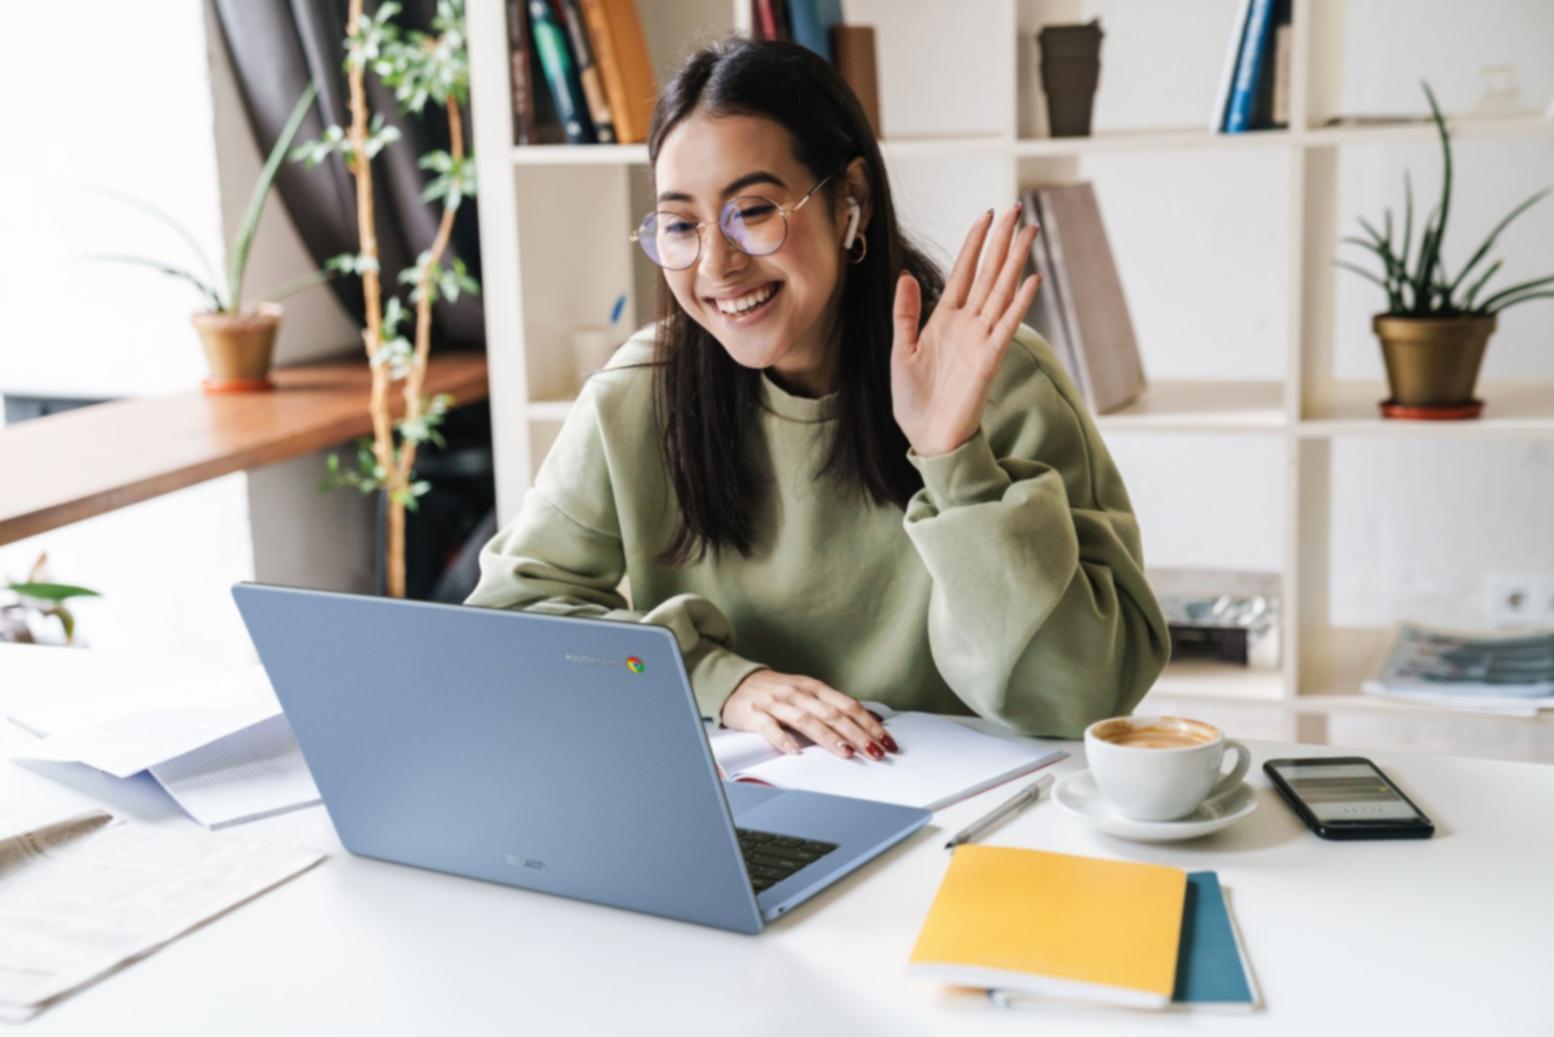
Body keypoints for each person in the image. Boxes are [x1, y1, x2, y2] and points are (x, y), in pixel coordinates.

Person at [467, 36, 1169, 761]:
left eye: (754, 210)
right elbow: (509, 623)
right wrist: (712, 678)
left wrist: (952, 458)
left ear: (849, 202)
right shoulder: (639, 394)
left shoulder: (999, 378)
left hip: (963, 819)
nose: (717, 264)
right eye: (680, 224)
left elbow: (1083, 698)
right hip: (736, 806)